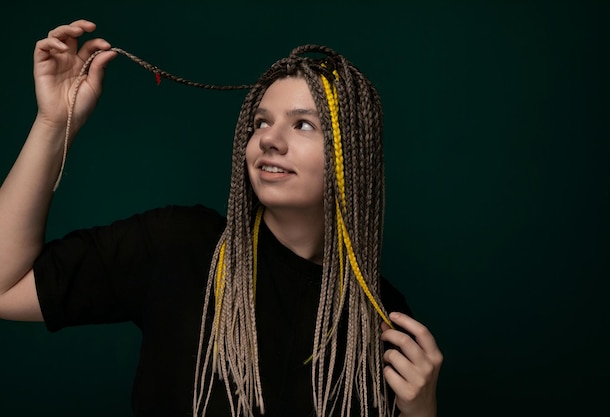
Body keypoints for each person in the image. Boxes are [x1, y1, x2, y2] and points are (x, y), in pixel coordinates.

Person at [0, 19, 442, 417]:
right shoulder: (179, 247)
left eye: (303, 124)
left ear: (355, 155)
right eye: (260, 122)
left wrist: (421, 411)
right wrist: (53, 122)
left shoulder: (383, 316)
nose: (269, 139)